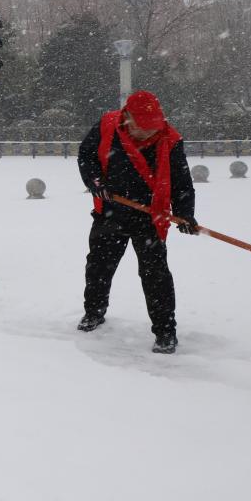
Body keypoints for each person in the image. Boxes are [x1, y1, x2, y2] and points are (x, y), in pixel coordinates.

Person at [76, 90, 197, 354]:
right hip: (111, 210)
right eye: (142, 127)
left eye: (151, 127)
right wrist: (96, 182)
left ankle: (165, 331)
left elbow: (181, 182)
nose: (147, 133)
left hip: (149, 216)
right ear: (127, 117)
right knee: (99, 267)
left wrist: (185, 213)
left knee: (155, 276)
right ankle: (94, 312)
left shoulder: (170, 139)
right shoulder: (108, 125)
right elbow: (87, 155)